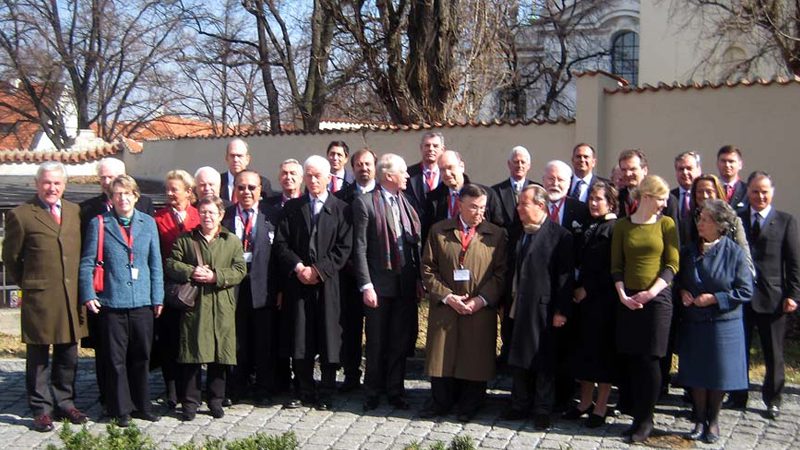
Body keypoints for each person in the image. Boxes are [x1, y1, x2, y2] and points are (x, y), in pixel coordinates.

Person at [3, 162, 89, 432]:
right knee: (39, 355)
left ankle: (65, 401)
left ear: (64, 185)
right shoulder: (22, 214)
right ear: (37, 184)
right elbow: (12, 258)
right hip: (40, 296)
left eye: (57, 183)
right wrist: (31, 283)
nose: (52, 188)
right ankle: (41, 408)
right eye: (47, 183)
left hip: (70, 294)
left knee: (68, 352)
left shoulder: (76, 211)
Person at [79, 175, 164, 426]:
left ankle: (142, 404)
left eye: (127, 193)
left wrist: (157, 297)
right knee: (115, 360)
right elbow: (87, 263)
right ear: (111, 198)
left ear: (136, 196)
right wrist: (88, 294)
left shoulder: (147, 223)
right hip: (112, 301)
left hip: (142, 302)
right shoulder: (100, 224)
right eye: (118, 194)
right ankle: (121, 408)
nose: (123, 198)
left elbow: (155, 263)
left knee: (141, 356)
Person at [420, 184, 507, 422]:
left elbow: (501, 274)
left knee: (475, 356)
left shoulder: (496, 235)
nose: (478, 212)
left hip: (478, 308)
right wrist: (447, 296)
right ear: (460, 205)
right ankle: (440, 402)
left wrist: (481, 300)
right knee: (443, 354)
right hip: (446, 305)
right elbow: (428, 269)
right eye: (473, 207)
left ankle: (470, 404)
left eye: (482, 208)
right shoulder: (439, 231)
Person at [273, 155, 352, 411]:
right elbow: (281, 244)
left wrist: (319, 270)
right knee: (301, 335)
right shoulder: (292, 208)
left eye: (318, 175)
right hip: (298, 282)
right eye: (309, 175)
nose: (313, 180)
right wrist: (299, 268)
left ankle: (327, 389)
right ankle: (304, 388)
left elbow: (344, 248)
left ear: (329, 178)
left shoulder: (342, 209)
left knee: (329, 336)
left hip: (328, 284)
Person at [675, 199, 753, 444]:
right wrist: (682, 293)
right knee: (698, 372)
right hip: (695, 322)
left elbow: (745, 290)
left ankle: (714, 420)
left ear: (720, 225)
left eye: (706, 219)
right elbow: (679, 280)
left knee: (719, 375)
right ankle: (699, 418)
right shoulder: (689, 251)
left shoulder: (734, 253)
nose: (700, 223)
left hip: (723, 324)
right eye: (700, 218)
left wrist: (715, 299)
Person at [164, 196, 247, 421]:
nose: (207, 216)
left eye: (212, 212)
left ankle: (215, 400)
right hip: (195, 305)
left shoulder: (231, 240)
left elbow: (240, 270)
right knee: (192, 353)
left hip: (222, 305)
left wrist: (216, 276)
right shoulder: (186, 239)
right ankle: (190, 402)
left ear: (220, 215)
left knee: (219, 355)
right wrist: (191, 271)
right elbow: (172, 263)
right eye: (203, 212)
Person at [611, 175, 679, 443]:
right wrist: (623, 295)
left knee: (651, 360)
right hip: (628, 300)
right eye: (660, 198)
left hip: (657, 301)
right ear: (647, 197)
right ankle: (636, 417)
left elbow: (672, 264)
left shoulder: (666, 224)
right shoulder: (623, 227)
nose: (664, 203)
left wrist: (651, 292)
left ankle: (646, 419)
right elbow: (616, 266)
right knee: (633, 360)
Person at [354, 153, 422, 411]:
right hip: (378, 286)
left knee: (399, 340)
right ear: (388, 176)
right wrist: (366, 285)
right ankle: (372, 390)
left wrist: (416, 280)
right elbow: (359, 248)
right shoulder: (365, 204)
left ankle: (395, 389)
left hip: (404, 283)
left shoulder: (406, 202)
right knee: (376, 341)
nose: (407, 176)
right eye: (403, 172)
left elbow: (413, 244)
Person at [502, 184, 573, 430]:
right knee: (518, 355)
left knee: (543, 359)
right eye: (519, 203)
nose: (519, 208)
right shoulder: (517, 232)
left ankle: (543, 407)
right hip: (516, 305)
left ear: (540, 206)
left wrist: (561, 311)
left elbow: (564, 278)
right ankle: (519, 403)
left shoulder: (559, 236)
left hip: (543, 307)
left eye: (524, 203)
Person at [729, 171, 800, 418]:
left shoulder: (785, 221)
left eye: (764, 191)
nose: (760, 196)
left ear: (772, 192)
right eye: (755, 191)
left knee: (774, 352)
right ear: (747, 192)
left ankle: (773, 399)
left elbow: (793, 262)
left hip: (773, 298)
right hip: (742, 297)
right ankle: (738, 394)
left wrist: (793, 294)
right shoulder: (737, 219)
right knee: (740, 348)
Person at [223, 170, 278, 405]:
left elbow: (278, 256)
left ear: (260, 191)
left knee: (263, 341)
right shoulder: (224, 216)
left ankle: (263, 388)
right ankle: (237, 387)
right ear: (235, 189)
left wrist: (279, 290)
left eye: (252, 188)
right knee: (236, 340)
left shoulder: (272, 215)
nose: (246, 192)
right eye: (241, 187)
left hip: (263, 287)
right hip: (233, 287)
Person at [565, 181, 618, 428]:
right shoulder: (587, 224)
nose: (593, 203)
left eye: (599, 199)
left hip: (603, 300)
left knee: (602, 354)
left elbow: (612, 267)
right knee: (583, 351)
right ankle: (584, 401)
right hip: (581, 299)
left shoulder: (613, 228)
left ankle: (601, 404)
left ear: (610, 202)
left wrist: (589, 288)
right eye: (592, 199)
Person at [152, 170, 201, 410]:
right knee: (170, 340)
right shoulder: (158, 218)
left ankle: (191, 389)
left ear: (189, 192)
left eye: (175, 189)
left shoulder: (199, 216)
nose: (170, 193)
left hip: (195, 288)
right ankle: (171, 389)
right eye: (168, 189)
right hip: (169, 287)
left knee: (191, 339)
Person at [335, 148, 378, 392]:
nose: (364, 168)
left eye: (368, 164)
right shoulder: (341, 198)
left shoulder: (384, 195)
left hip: (376, 275)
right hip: (348, 275)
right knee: (349, 328)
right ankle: (351, 374)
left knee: (375, 329)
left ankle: (374, 376)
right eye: (359, 164)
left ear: (375, 166)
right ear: (353, 168)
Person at [491, 146, 534, 367]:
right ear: (509, 164)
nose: (519, 165)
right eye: (515, 162)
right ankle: (506, 352)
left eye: (523, 162)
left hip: (530, 258)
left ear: (529, 165)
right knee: (506, 309)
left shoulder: (537, 190)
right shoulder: (495, 191)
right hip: (505, 259)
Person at [423, 150, 502, 243]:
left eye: (450, 167)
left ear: (462, 167)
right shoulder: (433, 199)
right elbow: (427, 234)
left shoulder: (486, 195)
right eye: (442, 169)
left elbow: (499, 229)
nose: (447, 173)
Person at [682, 174, 752, 272]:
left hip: (727, 273)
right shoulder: (687, 222)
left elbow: (743, 251)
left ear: (717, 193)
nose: (705, 195)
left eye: (709, 191)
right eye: (700, 192)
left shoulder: (733, 221)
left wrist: (747, 274)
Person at [617, 150, 679, 225]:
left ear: (645, 170)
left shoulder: (666, 200)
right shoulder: (617, 198)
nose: (627, 174)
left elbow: (673, 232)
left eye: (632, 169)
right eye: (623, 170)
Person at [406, 132, 445, 213]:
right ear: (421, 148)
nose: (431, 149)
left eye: (435, 146)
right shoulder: (408, 174)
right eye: (427, 145)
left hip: (441, 223)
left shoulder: (448, 174)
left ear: (443, 149)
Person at [716, 145, 748, 210]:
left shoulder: (747, 191)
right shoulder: (711, 189)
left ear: (740, 165)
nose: (727, 165)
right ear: (717, 164)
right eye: (723, 161)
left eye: (731, 161)